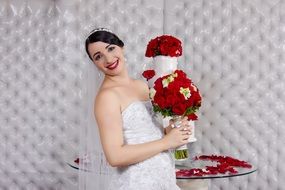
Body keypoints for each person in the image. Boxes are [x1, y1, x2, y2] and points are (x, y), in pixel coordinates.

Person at [85, 28, 192, 190]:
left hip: (163, 178)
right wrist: (166, 142)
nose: (108, 58)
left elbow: (147, 133)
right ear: (94, 63)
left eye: (111, 48)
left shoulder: (142, 85)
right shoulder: (107, 97)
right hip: (135, 182)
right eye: (98, 56)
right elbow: (115, 156)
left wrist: (170, 131)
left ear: (122, 47)